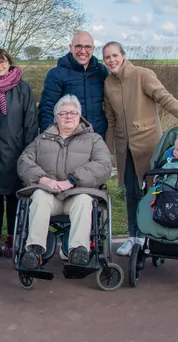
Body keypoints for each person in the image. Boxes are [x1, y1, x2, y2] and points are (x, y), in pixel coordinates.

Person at [101, 41, 178, 256]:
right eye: (107, 57)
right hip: (124, 147)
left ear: (123, 55)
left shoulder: (142, 75)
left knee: (153, 192)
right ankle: (133, 237)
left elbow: (165, 98)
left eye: (114, 56)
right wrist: (108, 150)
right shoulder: (108, 83)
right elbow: (111, 120)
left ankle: (151, 237)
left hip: (149, 144)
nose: (111, 60)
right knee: (131, 193)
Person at [17, 94, 112, 269]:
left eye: (73, 113)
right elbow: (24, 161)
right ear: (56, 117)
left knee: (84, 200)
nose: (68, 116)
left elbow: (104, 165)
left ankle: (78, 250)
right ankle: (35, 250)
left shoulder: (93, 139)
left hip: (77, 195)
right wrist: (43, 179)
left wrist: (72, 180)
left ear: (80, 116)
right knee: (38, 196)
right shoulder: (42, 139)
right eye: (63, 113)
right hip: (50, 195)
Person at [0, 48, 38, 257]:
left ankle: (12, 236)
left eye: (2, 62)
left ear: (9, 63)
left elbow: (30, 121)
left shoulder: (22, 88)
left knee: (14, 194)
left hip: (15, 151)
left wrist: (28, 150)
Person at [38, 31, 109, 138]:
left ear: (93, 49)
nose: (83, 51)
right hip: (70, 137)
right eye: (78, 46)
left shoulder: (101, 71)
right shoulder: (56, 74)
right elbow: (47, 108)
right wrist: (50, 136)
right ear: (71, 47)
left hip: (98, 135)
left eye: (88, 47)